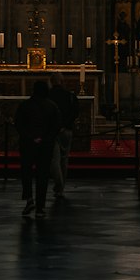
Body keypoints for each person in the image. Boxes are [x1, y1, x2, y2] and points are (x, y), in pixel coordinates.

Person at [14, 80, 60, 217]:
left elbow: (19, 124)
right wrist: (44, 139)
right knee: (43, 174)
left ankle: (29, 199)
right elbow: (56, 125)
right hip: (45, 145)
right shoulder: (52, 106)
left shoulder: (25, 105)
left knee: (26, 172)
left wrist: (31, 137)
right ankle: (40, 206)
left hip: (28, 143)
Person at [48, 72, 80, 201]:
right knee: (64, 159)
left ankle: (59, 185)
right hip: (66, 130)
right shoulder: (70, 96)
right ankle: (60, 188)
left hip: (52, 131)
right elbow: (75, 112)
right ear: (62, 81)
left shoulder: (48, 96)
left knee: (54, 160)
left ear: (51, 82)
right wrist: (65, 125)